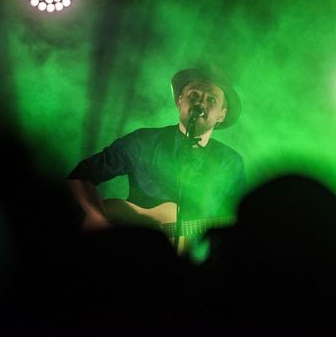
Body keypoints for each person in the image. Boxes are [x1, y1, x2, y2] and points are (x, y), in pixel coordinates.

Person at [67, 66, 246, 248]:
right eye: (194, 95)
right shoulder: (143, 141)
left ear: (221, 115)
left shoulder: (231, 162)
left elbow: (239, 215)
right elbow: (80, 176)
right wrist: (101, 219)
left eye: (211, 99)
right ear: (180, 101)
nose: (200, 103)